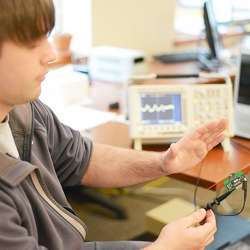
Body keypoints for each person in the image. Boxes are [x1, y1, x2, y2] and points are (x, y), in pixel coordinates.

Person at [0, 0, 227, 249]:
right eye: (32, 42)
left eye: (47, 36)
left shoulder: (26, 110)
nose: (51, 54)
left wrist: (164, 162)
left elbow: (84, 159)